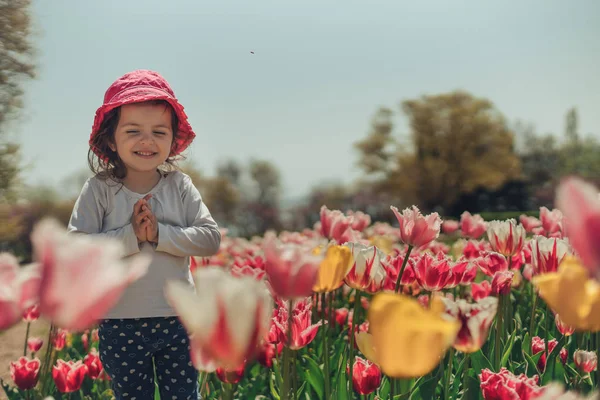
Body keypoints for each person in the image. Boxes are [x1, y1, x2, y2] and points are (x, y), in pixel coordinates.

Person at [67, 69, 221, 399]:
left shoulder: (180, 186)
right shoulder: (99, 190)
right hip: (120, 321)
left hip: (178, 318)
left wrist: (161, 235)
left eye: (159, 132)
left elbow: (210, 238)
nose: (147, 141)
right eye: (133, 130)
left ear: (172, 139)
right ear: (111, 138)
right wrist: (130, 237)